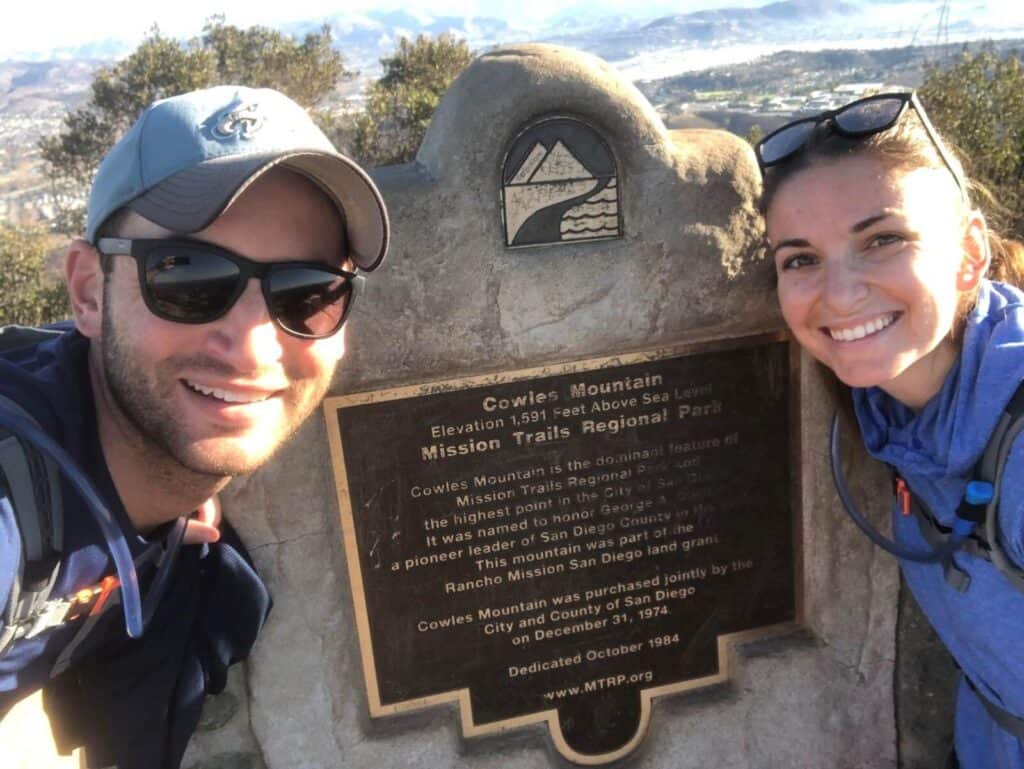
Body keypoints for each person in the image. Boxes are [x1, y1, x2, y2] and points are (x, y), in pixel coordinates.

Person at [0, 85, 388, 768]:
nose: (253, 347)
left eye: (307, 292)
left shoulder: (168, 516)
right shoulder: (15, 506)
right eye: (186, 279)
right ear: (89, 293)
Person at [756, 91, 1024, 768]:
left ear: (968, 255)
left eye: (882, 240)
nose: (840, 295)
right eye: (801, 259)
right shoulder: (888, 413)